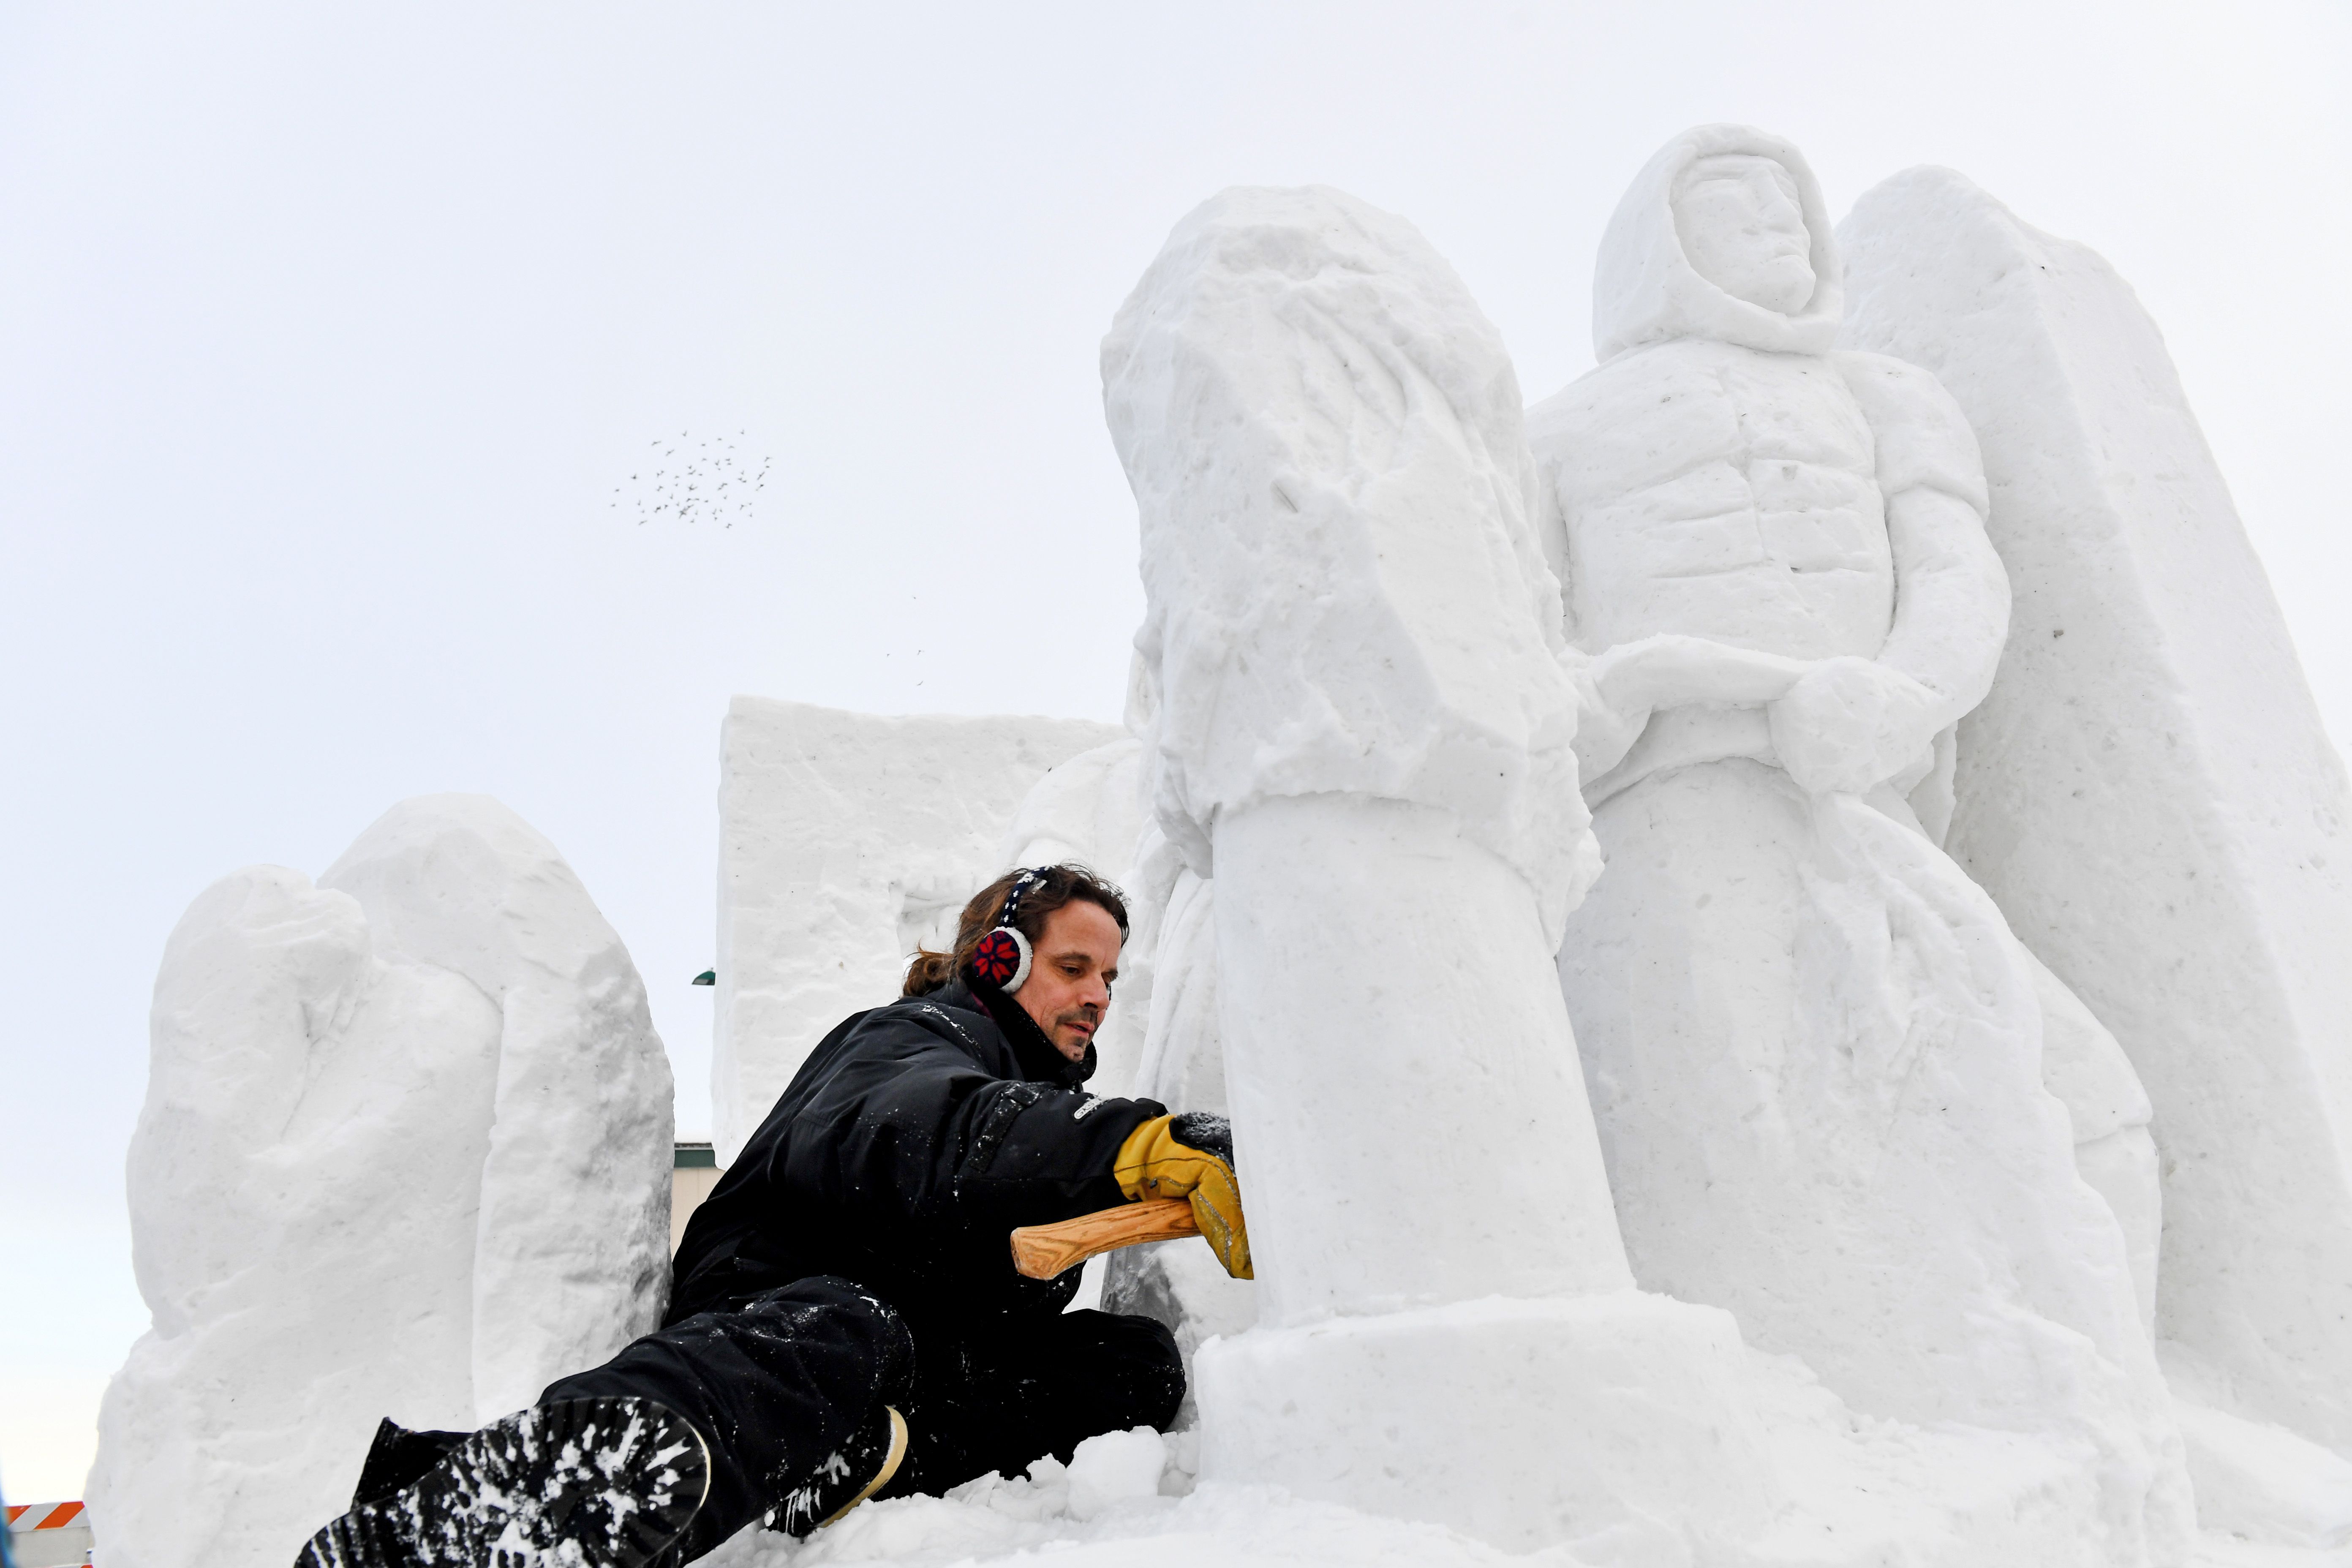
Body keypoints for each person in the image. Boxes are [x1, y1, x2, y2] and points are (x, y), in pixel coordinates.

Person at [293, 863, 1250, 1568]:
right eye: (1076, 965)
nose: (1096, 996)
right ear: (996, 957)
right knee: (851, 1327)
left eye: (1111, 978)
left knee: (1134, 1361)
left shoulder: (1022, 1105)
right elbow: (901, 1126)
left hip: (906, 1373)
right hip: (781, 1315)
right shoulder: (916, 1037)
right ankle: (521, 1502)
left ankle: (865, 1458)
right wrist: (1120, 1141)